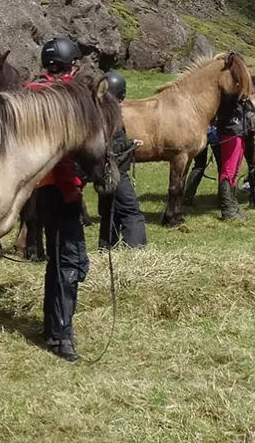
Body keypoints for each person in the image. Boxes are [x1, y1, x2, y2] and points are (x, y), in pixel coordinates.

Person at [26, 37, 90, 362]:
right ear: (71, 65)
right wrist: (74, 192)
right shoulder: (62, 96)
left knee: (58, 259)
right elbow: (63, 153)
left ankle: (53, 326)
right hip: (60, 189)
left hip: (40, 188)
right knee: (71, 261)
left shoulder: (33, 92)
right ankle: (60, 337)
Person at [98, 71, 147, 250]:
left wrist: (129, 143)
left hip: (102, 173)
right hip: (115, 171)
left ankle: (106, 248)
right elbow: (111, 148)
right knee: (130, 210)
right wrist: (127, 147)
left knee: (109, 212)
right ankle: (135, 251)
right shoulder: (110, 117)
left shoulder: (98, 113)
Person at [209, 90, 250, 220]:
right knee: (228, 171)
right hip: (231, 132)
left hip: (239, 132)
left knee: (234, 171)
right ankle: (227, 209)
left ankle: (232, 205)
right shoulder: (228, 94)